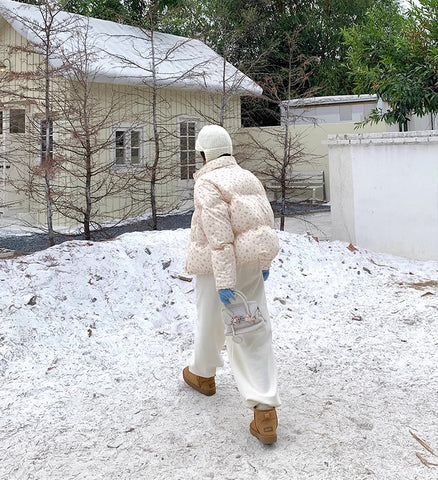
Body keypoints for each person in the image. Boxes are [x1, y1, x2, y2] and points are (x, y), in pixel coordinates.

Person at [183, 124, 281, 445]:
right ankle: (262, 409)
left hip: (218, 267)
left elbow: (220, 239)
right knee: (252, 328)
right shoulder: (247, 177)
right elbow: (264, 223)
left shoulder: (207, 183)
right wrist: (262, 264)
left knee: (215, 320)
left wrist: (225, 281)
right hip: (250, 263)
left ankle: (206, 376)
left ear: (203, 154)